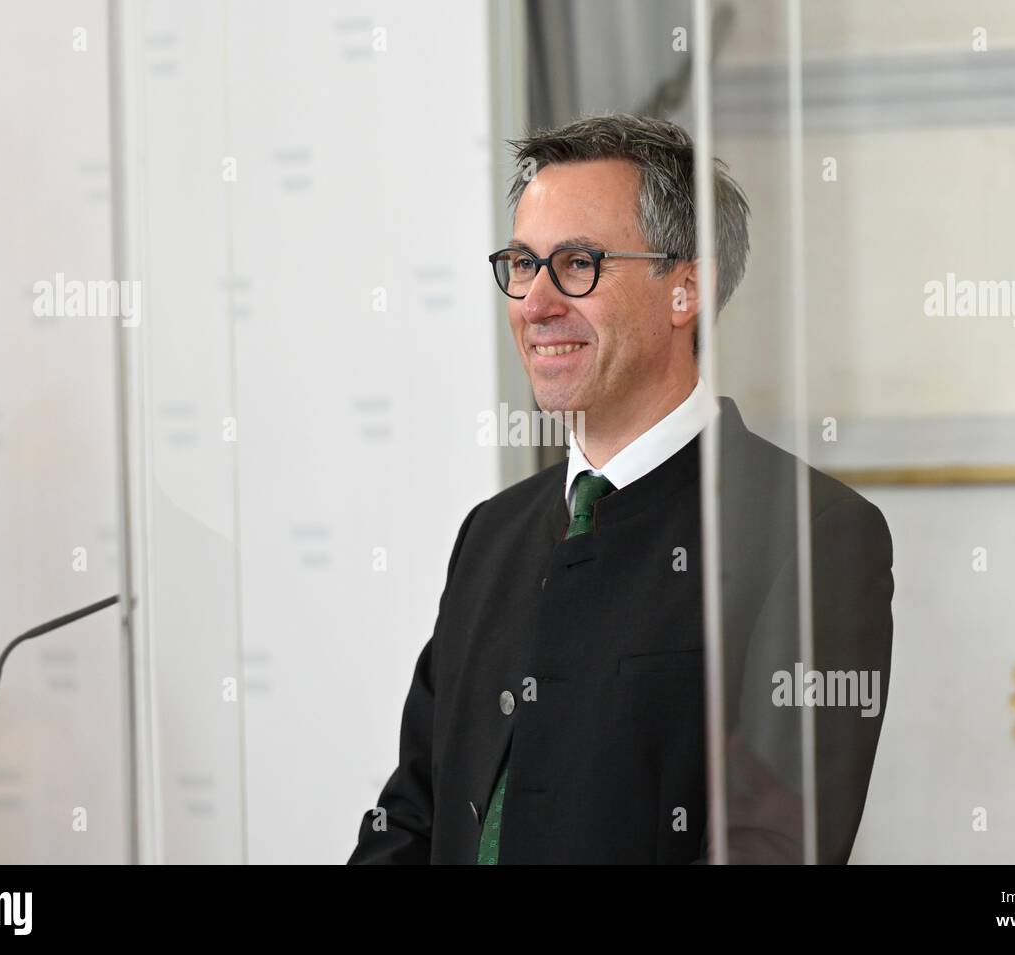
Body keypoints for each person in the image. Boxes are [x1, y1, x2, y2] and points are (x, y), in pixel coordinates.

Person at [349, 113, 894, 864]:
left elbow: (770, 850)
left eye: (578, 264)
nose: (535, 303)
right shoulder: (491, 533)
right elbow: (412, 815)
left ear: (685, 288)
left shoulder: (812, 534)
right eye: (521, 263)